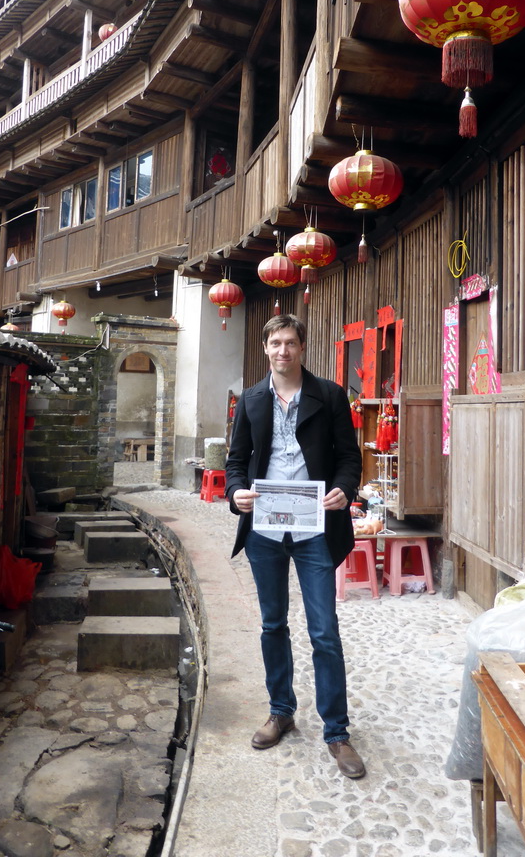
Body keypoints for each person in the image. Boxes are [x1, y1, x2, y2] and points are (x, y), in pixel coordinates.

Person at [225, 314, 365, 778]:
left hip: (314, 528)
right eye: (275, 343)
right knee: (272, 624)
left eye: (290, 342)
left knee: (324, 630)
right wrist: (236, 493)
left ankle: (337, 732)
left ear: (302, 347)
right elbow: (235, 463)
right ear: (266, 349)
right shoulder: (251, 400)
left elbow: (349, 456)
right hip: (265, 530)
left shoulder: (328, 395)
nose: (282, 350)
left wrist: (345, 488)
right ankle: (281, 710)